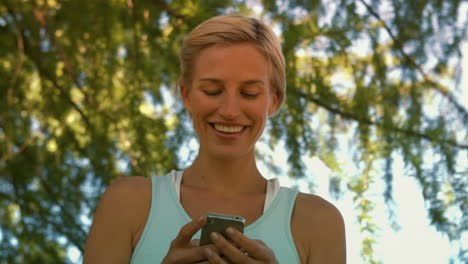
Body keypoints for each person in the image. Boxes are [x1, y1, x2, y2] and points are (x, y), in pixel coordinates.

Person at [83, 14, 346, 264]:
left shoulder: (318, 223)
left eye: (250, 93)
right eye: (212, 90)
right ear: (187, 95)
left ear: (274, 100)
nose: (230, 110)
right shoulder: (128, 205)